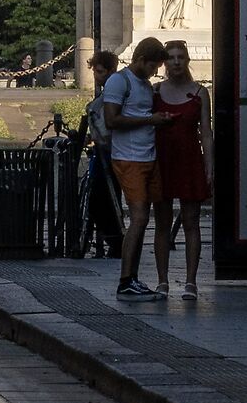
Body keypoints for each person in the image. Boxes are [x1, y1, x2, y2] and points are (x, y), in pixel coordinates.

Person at [102, 36, 169, 301]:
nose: (155, 72)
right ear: (141, 60)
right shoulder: (120, 81)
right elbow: (112, 120)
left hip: (148, 156)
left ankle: (134, 277)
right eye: (153, 66)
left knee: (147, 218)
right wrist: (149, 119)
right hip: (129, 157)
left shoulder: (144, 84)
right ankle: (126, 279)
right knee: (139, 218)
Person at [155, 39, 212, 297]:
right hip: (163, 159)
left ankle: (191, 281)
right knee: (162, 223)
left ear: (188, 60)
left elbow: (206, 133)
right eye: (171, 57)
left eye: (180, 57)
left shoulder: (200, 93)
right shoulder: (155, 92)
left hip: (190, 159)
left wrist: (209, 166)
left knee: (191, 221)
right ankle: (162, 280)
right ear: (164, 62)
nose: (176, 61)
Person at [81, 48, 123, 260]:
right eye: (96, 72)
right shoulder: (108, 92)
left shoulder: (113, 92)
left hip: (110, 152)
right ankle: (110, 239)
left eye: (100, 71)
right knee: (101, 198)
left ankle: (115, 240)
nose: (97, 76)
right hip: (103, 151)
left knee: (104, 198)